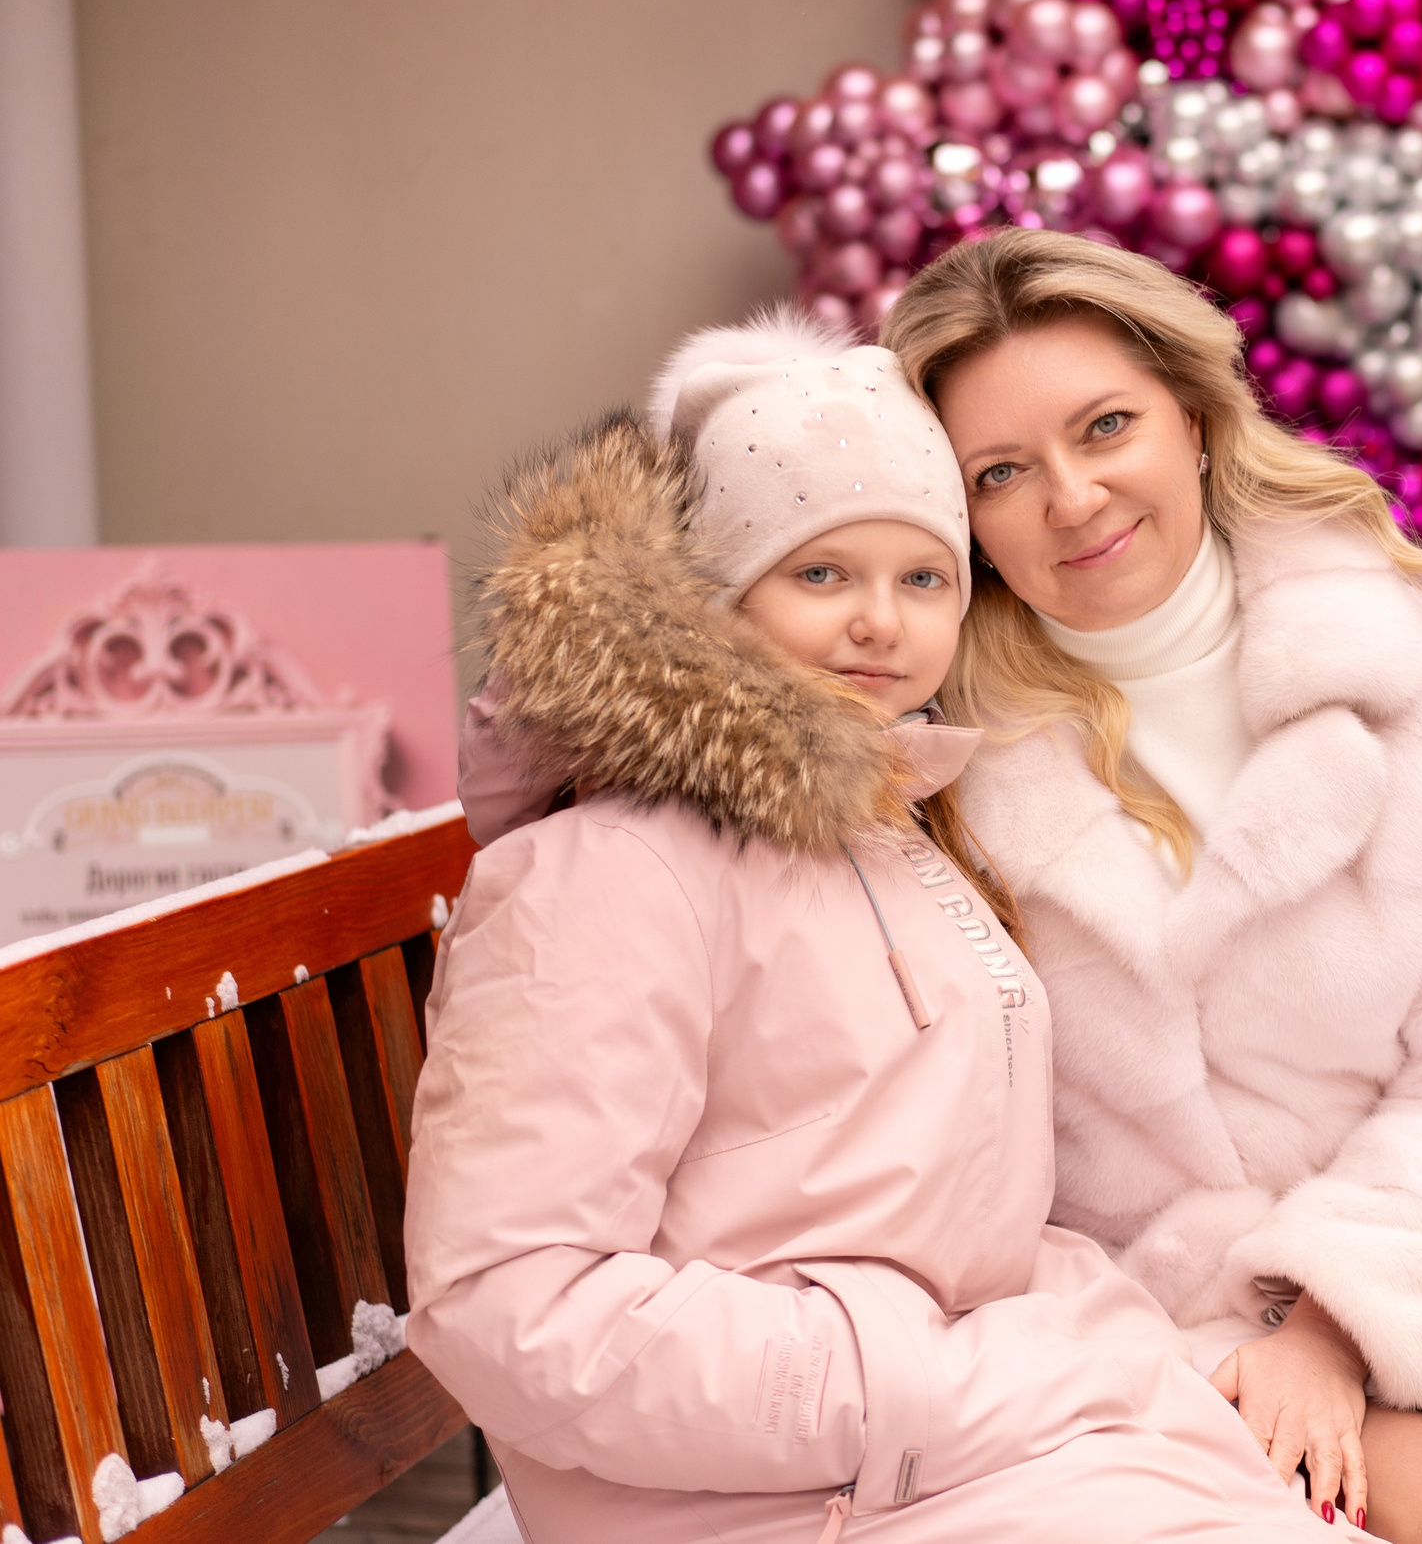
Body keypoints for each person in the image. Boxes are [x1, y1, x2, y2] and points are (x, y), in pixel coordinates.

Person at [406, 315, 1341, 1544]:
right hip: (782, 1497)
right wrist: (919, 1387)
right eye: (820, 575)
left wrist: (1073, 1347)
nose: (879, 625)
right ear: (711, 598)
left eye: (923, 579)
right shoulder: (612, 871)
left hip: (978, 1440)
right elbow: (508, 1297)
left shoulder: (902, 835)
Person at [879, 228, 1422, 1544]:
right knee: (1412, 1504)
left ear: (1193, 416)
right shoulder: (938, 755)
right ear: (960, 518)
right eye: (1002, 471)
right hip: (1129, 1300)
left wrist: (1337, 1308)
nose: (1072, 496)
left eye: (1106, 424)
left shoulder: (1410, 664)